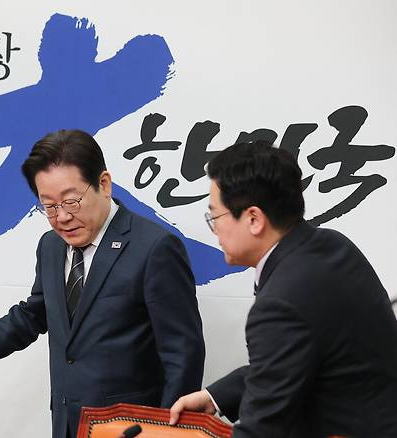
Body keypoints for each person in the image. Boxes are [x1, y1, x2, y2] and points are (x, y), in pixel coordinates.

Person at [0, 129, 205, 438]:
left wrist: (165, 431)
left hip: (130, 429)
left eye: (71, 201)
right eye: (49, 206)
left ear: (103, 184)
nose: (62, 217)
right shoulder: (50, 246)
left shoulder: (154, 247)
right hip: (66, 424)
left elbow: (183, 353)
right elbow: (35, 313)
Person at [169, 140, 397, 437]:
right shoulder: (331, 245)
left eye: (215, 217)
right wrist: (215, 396)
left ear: (254, 219)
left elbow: (263, 429)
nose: (215, 230)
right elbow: (295, 359)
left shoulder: (281, 303)